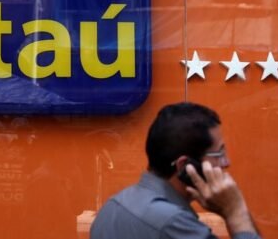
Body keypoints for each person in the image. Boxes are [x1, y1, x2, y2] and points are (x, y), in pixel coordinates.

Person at [90, 102, 261, 239]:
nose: (226, 162)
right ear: (185, 166)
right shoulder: (173, 223)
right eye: (219, 153)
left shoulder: (113, 206)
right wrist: (235, 212)